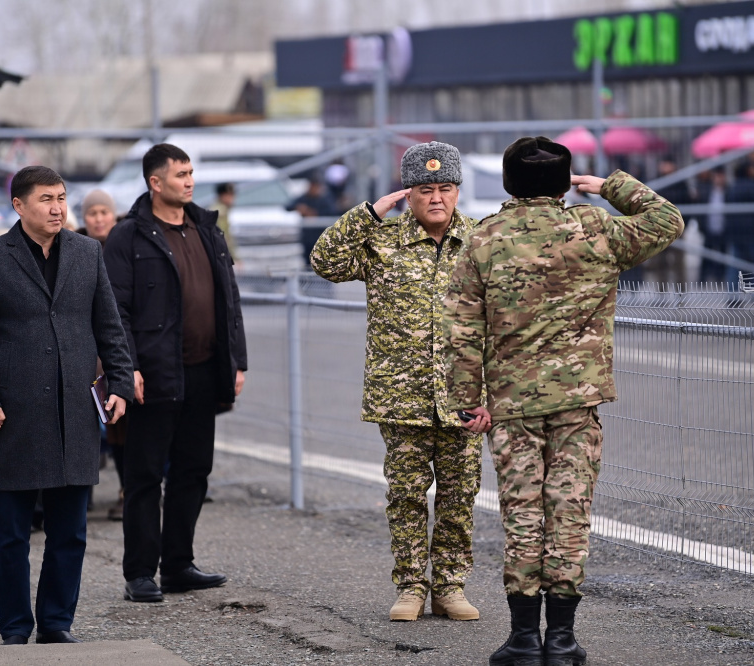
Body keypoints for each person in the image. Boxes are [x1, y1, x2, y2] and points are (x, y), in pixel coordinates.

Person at [442, 136, 683, 665]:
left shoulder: (484, 237)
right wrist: (610, 186)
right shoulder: (596, 228)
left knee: (523, 516)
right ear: (564, 183)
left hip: (512, 405)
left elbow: (462, 328)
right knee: (569, 514)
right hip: (578, 403)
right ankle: (563, 640)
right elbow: (667, 220)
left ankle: (524, 639)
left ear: (508, 183)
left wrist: (467, 400)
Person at [311, 141, 491, 622]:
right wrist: (368, 214)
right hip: (401, 396)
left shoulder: (480, 241)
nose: (437, 198)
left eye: (445, 188)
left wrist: (492, 395)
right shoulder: (382, 242)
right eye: (425, 189)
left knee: (458, 498)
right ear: (408, 194)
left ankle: (450, 587)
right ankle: (411, 586)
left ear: (457, 192)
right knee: (406, 496)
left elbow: (501, 323)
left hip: (463, 397)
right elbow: (325, 261)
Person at [0, 166, 134, 646]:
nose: (57, 208)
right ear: (18, 205)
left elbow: (110, 326)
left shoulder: (87, 252)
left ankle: (56, 622)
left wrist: (119, 383)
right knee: (12, 534)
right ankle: (15, 628)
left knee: (70, 532)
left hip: (74, 411)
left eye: (61, 198)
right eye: (45, 199)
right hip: (11, 415)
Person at [104, 143, 247, 603]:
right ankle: (140, 573)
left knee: (193, 470)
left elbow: (229, 300)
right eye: (181, 174)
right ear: (155, 181)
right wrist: (128, 367)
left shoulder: (206, 228)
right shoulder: (129, 236)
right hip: (154, 374)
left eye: (190, 173)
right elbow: (115, 310)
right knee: (145, 476)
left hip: (204, 370)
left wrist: (237, 360)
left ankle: (178, 565)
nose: (189, 181)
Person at [78, 188, 127, 520]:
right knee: (85, 424)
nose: (98, 219)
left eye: (103, 212)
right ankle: (84, 493)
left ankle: (126, 491)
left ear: (113, 215)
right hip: (85, 350)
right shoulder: (75, 248)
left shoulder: (125, 245)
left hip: (117, 346)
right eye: (92, 213)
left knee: (119, 425)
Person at [697, 168, 729, 283]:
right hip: (709, 227)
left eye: (721, 176)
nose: (719, 179)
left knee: (723, 253)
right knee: (706, 253)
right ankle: (703, 278)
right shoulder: (707, 190)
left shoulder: (728, 191)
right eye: (717, 176)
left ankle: (720, 277)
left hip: (723, 228)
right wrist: (701, 226)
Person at [209, 183, 238, 261]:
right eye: (229, 195)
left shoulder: (220, 208)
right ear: (222, 196)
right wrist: (233, 257)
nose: (232, 198)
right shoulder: (220, 211)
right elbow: (224, 236)